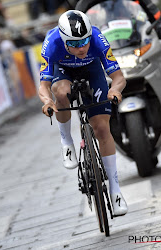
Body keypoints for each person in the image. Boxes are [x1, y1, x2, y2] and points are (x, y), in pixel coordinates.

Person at [38, 10, 128, 216]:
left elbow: (118, 77)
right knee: (61, 92)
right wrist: (47, 102)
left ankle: (116, 192)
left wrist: (114, 89)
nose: (82, 47)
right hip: (63, 71)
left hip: (92, 69)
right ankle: (66, 142)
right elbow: (43, 85)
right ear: (64, 40)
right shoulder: (51, 43)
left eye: (85, 41)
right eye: (75, 44)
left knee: (102, 129)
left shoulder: (97, 38)